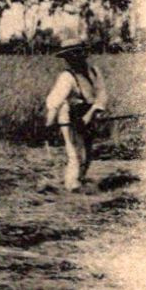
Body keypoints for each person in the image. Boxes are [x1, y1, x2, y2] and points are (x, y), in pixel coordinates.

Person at [44, 42, 108, 191]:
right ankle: (71, 187)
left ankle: (80, 180)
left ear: (84, 54)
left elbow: (102, 95)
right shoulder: (67, 77)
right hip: (70, 116)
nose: (74, 59)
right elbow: (55, 102)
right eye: (69, 56)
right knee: (75, 154)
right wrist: (49, 124)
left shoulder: (94, 72)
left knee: (88, 154)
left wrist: (92, 113)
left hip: (89, 114)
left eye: (78, 54)